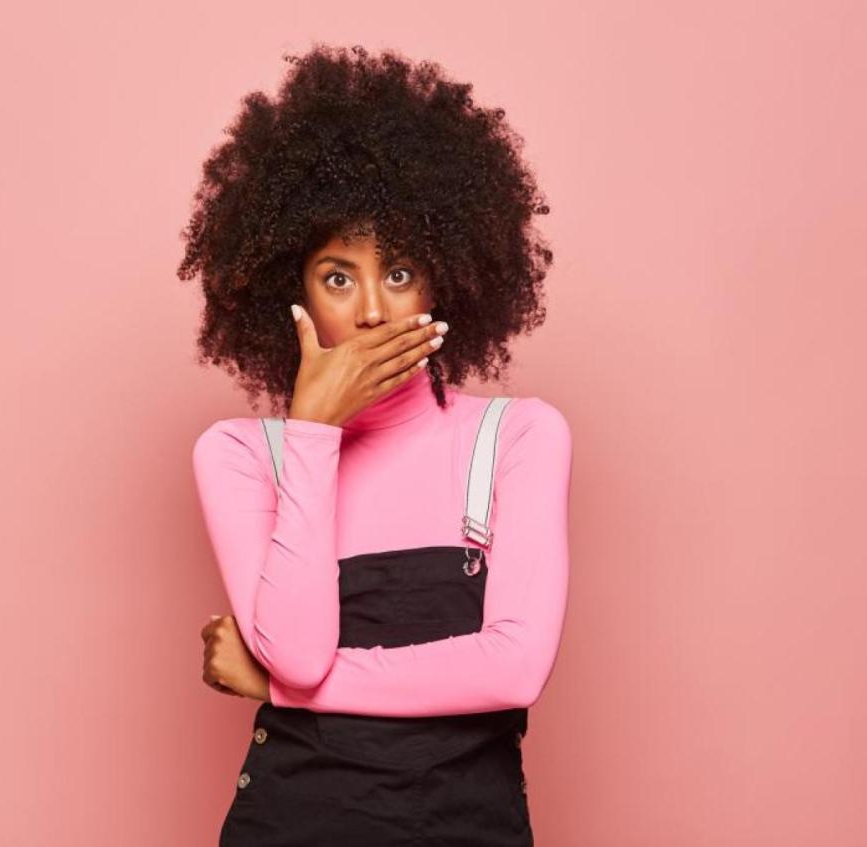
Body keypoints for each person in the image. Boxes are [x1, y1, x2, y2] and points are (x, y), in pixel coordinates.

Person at [178, 42, 573, 847]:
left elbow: (514, 669)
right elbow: (299, 652)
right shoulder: (240, 454)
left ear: (444, 281)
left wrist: (286, 691)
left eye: (398, 274)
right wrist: (314, 429)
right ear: (289, 295)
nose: (368, 314)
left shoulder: (517, 436)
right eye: (337, 276)